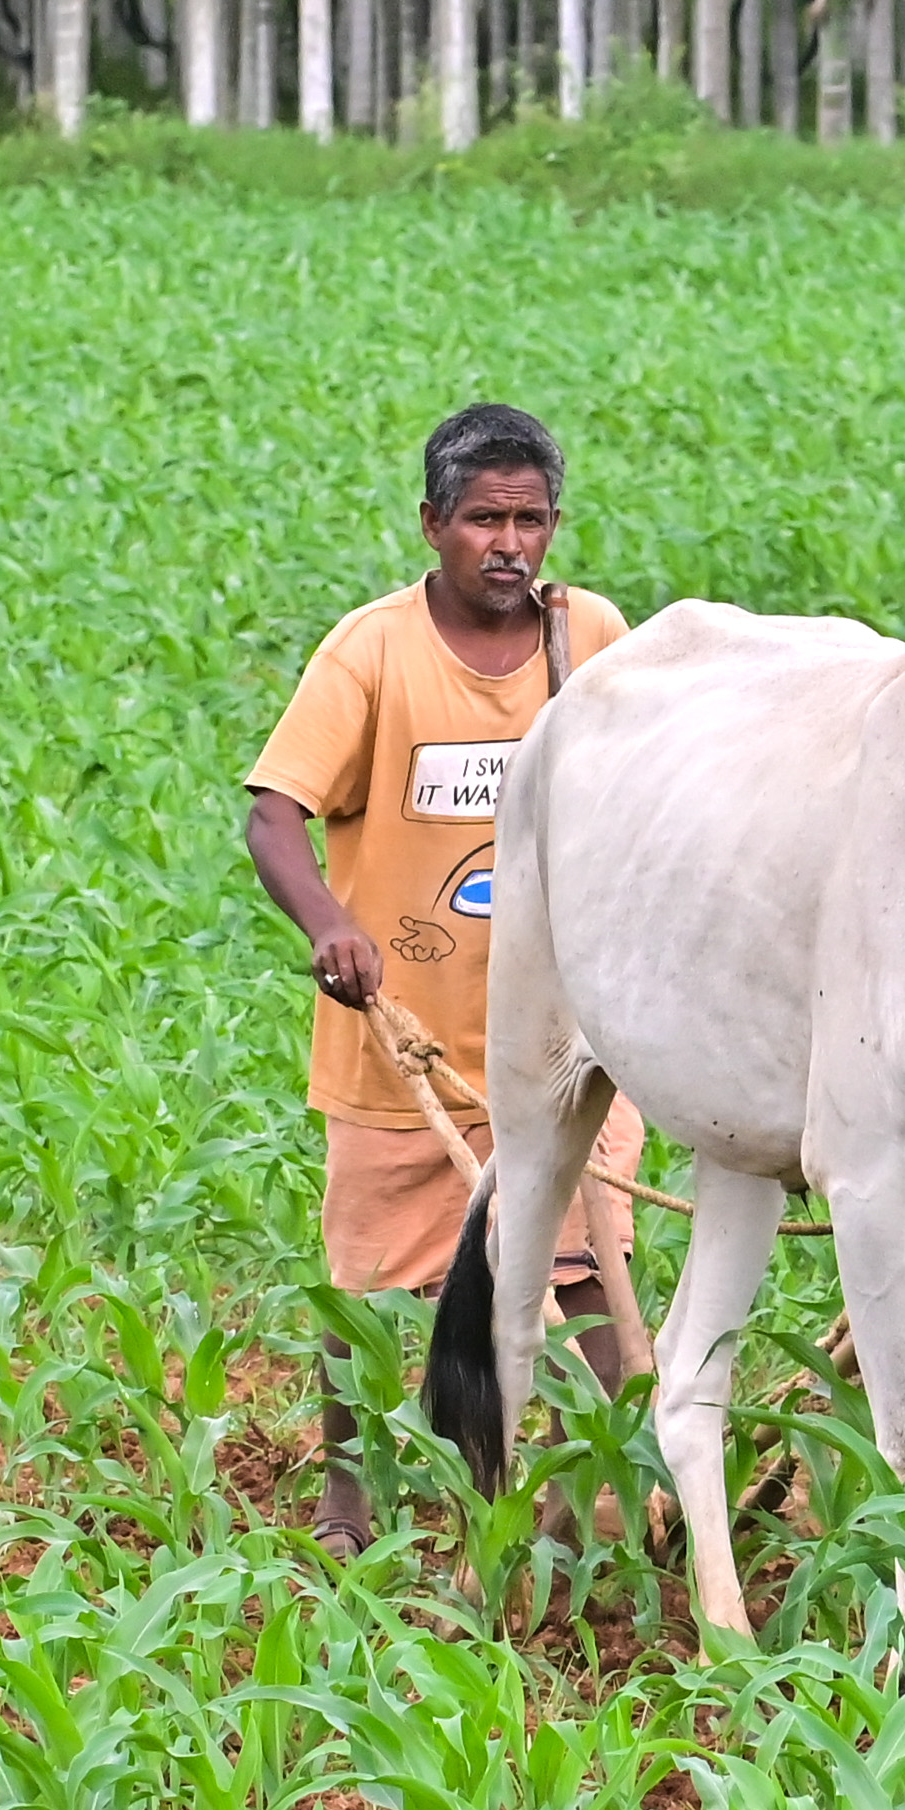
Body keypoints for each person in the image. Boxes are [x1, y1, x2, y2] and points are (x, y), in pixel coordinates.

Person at [241, 402, 646, 1545]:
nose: (509, 544)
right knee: (368, 1291)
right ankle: (347, 1503)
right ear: (433, 524)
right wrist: (328, 921)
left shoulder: (594, 635)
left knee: (587, 1279)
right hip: (404, 1040)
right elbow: (276, 813)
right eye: (483, 520)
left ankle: (580, 1510)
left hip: (565, 1046)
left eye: (530, 519)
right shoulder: (371, 651)